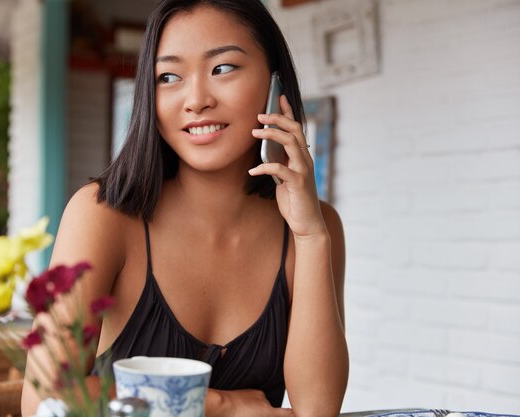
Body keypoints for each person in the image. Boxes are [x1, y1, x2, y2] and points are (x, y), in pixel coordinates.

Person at [21, 0, 348, 416]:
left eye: (223, 68)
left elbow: (318, 410)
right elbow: (42, 400)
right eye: (169, 76)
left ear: (275, 82)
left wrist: (311, 236)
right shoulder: (102, 215)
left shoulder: (316, 229)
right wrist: (221, 405)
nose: (196, 100)